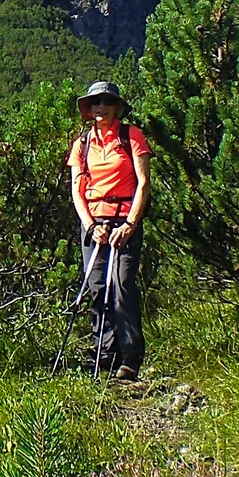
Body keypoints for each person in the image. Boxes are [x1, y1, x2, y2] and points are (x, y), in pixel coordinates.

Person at [67, 81, 151, 381]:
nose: (100, 107)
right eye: (95, 103)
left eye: (106, 102)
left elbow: (143, 183)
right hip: (93, 221)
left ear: (117, 107)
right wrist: (90, 225)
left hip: (125, 220)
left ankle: (130, 357)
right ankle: (104, 353)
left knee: (123, 285)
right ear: (89, 110)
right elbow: (77, 189)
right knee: (97, 286)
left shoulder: (132, 136)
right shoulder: (82, 144)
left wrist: (130, 223)